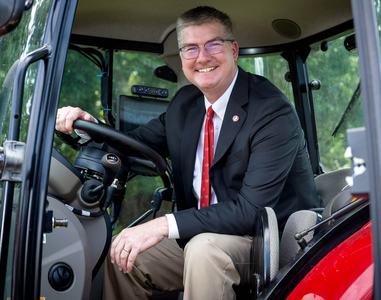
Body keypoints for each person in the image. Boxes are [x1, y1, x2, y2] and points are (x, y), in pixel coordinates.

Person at [56, 6, 319, 300]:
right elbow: (130, 146)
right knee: (123, 256)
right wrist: (85, 128)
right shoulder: (186, 105)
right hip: (199, 239)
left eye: (213, 44)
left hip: (266, 244)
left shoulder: (271, 111)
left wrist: (162, 225)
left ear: (234, 49)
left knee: (203, 250)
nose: (203, 57)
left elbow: (250, 211)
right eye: (191, 49)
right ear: (182, 58)